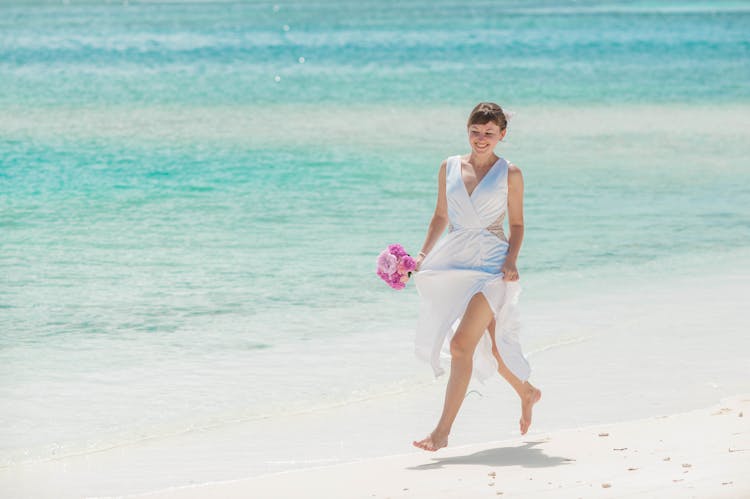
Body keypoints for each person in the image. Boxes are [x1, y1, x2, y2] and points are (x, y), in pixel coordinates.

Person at [410, 102, 542, 452]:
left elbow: (517, 224)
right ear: (467, 130)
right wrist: (422, 255)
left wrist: (511, 259)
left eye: (488, 133)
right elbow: (440, 216)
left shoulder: (510, 173)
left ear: (502, 135)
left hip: (491, 266)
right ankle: (527, 392)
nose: (481, 139)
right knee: (492, 347)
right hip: (454, 261)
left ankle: (441, 432)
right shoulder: (449, 167)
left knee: (461, 345)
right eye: (475, 131)